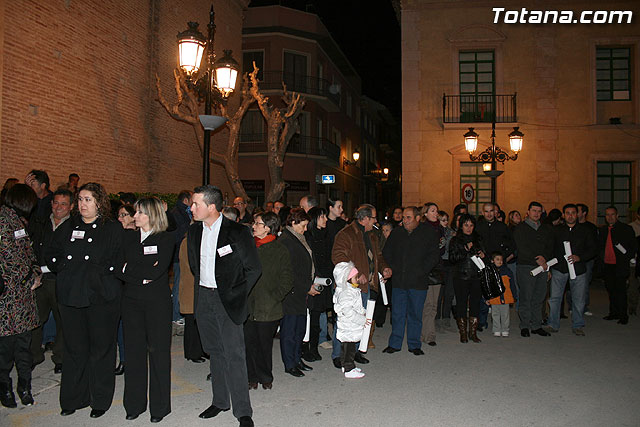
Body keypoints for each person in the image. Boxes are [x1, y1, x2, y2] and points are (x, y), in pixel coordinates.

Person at [45, 182, 124, 418]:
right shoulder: (68, 227)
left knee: (101, 350)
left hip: (101, 299)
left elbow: (119, 259)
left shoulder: (111, 228)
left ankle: (99, 399)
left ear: (100, 202)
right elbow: (52, 254)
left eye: (88, 199)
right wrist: (64, 267)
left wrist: (100, 274)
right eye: (80, 199)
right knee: (74, 350)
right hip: (71, 297)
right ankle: (73, 398)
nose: (82, 204)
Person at [187, 185, 260, 427]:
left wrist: (237, 294)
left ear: (211, 206)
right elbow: (194, 267)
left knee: (234, 355)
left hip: (228, 300)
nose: (191, 207)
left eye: (196, 203)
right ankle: (220, 401)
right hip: (204, 298)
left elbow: (254, 268)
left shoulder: (237, 232)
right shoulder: (194, 232)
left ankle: (243, 411)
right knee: (215, 352)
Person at [116, 197, 174, 422]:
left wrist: (132, 270)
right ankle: (134, 404)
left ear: (152, 215)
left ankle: (160, 408)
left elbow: (155, 272)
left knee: (158, 353)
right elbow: (117, 267)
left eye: (140, 213)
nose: (135, 216)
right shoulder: (128, 237)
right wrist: (139, 272)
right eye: (135, 212)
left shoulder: (166, 239)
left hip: (156, 303)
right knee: (133, 353)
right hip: (130, 301)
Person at [332, 204, 391, 367]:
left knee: (362, 320)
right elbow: (338, 257)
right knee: (345, 321)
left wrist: (384, 267)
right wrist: (354, 274)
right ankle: (338, 354)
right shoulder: (346, 234)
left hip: (368, 286)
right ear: (364, 218)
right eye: (373, 218)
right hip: (351, 286)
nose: (376, 221)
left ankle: (356, 351)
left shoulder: (372, 234)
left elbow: (378, 255)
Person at [0, 184, 40, 408]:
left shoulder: (19, 222)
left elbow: (29, 253)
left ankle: (25, 386)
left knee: (24, 348)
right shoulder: (4, 221)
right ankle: (5, 388)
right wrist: (28, 276)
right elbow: (9, 258)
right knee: (6, 350)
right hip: (6, 300)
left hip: (22, 298)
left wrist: (34, 272)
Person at [382, 206, 439, 355]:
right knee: (397, 314)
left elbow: (433, 256)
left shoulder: (428, 233)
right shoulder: (397, 233)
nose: (405, 220)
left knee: (415, 314)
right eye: (404, 217)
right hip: (399, 281)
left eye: (408, 217)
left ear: (418, 218)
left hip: (418, 281)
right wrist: (394, 268)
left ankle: (414, 345)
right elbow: (387, 252)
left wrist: (422, 271)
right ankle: (395, 343)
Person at [245, 212, 293, 390]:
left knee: (264, 345)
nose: (254, 226)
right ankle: (251, 377)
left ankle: (265, 377)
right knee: (249, 344)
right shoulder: (249, 247)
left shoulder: (280, 250)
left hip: (269, 307)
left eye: (257, 224)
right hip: (248, 305)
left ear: (267, 228)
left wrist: (275, 296)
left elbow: (287, 278)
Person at [29, 188, 73, 374]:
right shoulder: (42, 223)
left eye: (63, 204)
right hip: (40, 280)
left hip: (60, 280)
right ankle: (33, 355)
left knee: (63, 321)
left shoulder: (74, 227)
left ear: (71, 206)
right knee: (35, 319)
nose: (58, 207)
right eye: (56, 203)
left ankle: (61, 358)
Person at [547, 204, 597, 336]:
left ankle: (578, 325)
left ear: (578, 214)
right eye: (567, 213)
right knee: (555, 298)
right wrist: (550, 267)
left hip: (579, 269)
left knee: (578, 299)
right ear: (563, 215)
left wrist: (580, 257)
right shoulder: (556, 230)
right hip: (559, 269)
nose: (570, 215)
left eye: (573, 213)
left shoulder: (585, 231)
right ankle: (553, 324)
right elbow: (550, 249)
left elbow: (593, 249)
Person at [278, 208, 314, 377]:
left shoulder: (298, 238)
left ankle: (297, 358)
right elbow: (290, 271)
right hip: (292, 292)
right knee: (290, 331)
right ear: (293, 222)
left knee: (300, 329)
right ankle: (289, 363)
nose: (305, 229)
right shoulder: (286, 240)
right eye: (303, 225)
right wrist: (307, 286)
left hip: (300, 292)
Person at [512, 202, 554, 338]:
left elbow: (550, 246)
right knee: (526, 296)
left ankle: (536, 325)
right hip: (526, 266)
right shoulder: (520, 228)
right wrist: (537, 258)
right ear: (528, 212)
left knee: (539, 297)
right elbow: (521, 247)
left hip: (543, 267)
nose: (536, 213)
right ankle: (524, 325)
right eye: (534, 210)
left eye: (539, 211)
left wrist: (544, 259)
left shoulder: (545, 229)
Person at [449, 214, 485, 343]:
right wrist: (465, 249)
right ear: (461, 226)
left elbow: (485, 257)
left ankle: (473, 332)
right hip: (461, 276)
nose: (469, 228)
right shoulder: (455, 240)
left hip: (477, 276)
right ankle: (463, 333)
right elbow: (452, 258)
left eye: (471, 225)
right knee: (461, 304)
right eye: (466, 225)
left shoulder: (479, 239)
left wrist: (483, 254)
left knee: (475, 304)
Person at [303, 207, 334, 361]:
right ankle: (308, 349)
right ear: (315, 218)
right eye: (322, 217)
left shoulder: (326, 236)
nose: (326, 219)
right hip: (313, 281)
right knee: (312, 317)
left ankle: (314, 347)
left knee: (319, 313)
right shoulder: (308, 237)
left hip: (326, 280)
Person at [598, 206, 637, 325]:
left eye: (612, 214)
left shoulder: (626, 229)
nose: (610, 217)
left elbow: (633, 247)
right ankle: (613, 313)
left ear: (617, 215)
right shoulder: (603, 230)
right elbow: (600, 247)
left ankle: (623, 315)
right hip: (607, 265)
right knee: (611, 290)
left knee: (621, 291)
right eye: (607, 215)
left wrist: (626, 256)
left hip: (620, 265)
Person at [333, 262, 367, 379]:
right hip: (349, 325)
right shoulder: (346, 293)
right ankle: (349, 368)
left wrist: (363, 311)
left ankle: (346, 365)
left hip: (351, 325)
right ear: (347, 279)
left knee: (347, 347)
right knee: (349, 349)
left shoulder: (352, 290)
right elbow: (348, 311)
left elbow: (357, 305)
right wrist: (362, 320)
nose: (357, 279)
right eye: (355, 277)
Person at [420, 203, 446, 346]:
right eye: (432, 211)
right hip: (428, 268)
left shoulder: (440, 229)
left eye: (436, 210)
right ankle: (427, 334)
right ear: (425, 213)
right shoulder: (423, 229)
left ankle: (429, 333)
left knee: (435, 304)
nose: (436, 213)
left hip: (438, 268)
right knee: (428, 304)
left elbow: (441, 250)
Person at [169, 191, 192, 327]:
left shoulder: (180, 212)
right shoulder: (178, 213)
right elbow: (176, 234)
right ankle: (176, 315)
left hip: (180, 254)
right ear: (186, 200)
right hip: (179, 254)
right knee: (178, 285)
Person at [435, 210, 456, 332]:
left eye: (447, 220)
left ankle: (446, 318)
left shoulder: (451, 232)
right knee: (438, 294)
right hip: (440, 264)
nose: (445, 222)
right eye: (443, 220)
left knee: (449, 293)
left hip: (450, 264)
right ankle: (437, 319)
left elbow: (450, 248)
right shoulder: (436, 232)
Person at [486, 252, 515, 337]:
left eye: (501, 260)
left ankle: (505, 329)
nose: (500, 261)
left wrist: (514, 295)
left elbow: (512, 284)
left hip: (506, 297)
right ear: (492, 261)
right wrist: (486, 298)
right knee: (495, 315)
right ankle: (496, 329)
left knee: (505, 314)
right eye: (497, 259)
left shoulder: (507, 271)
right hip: (494, 298)